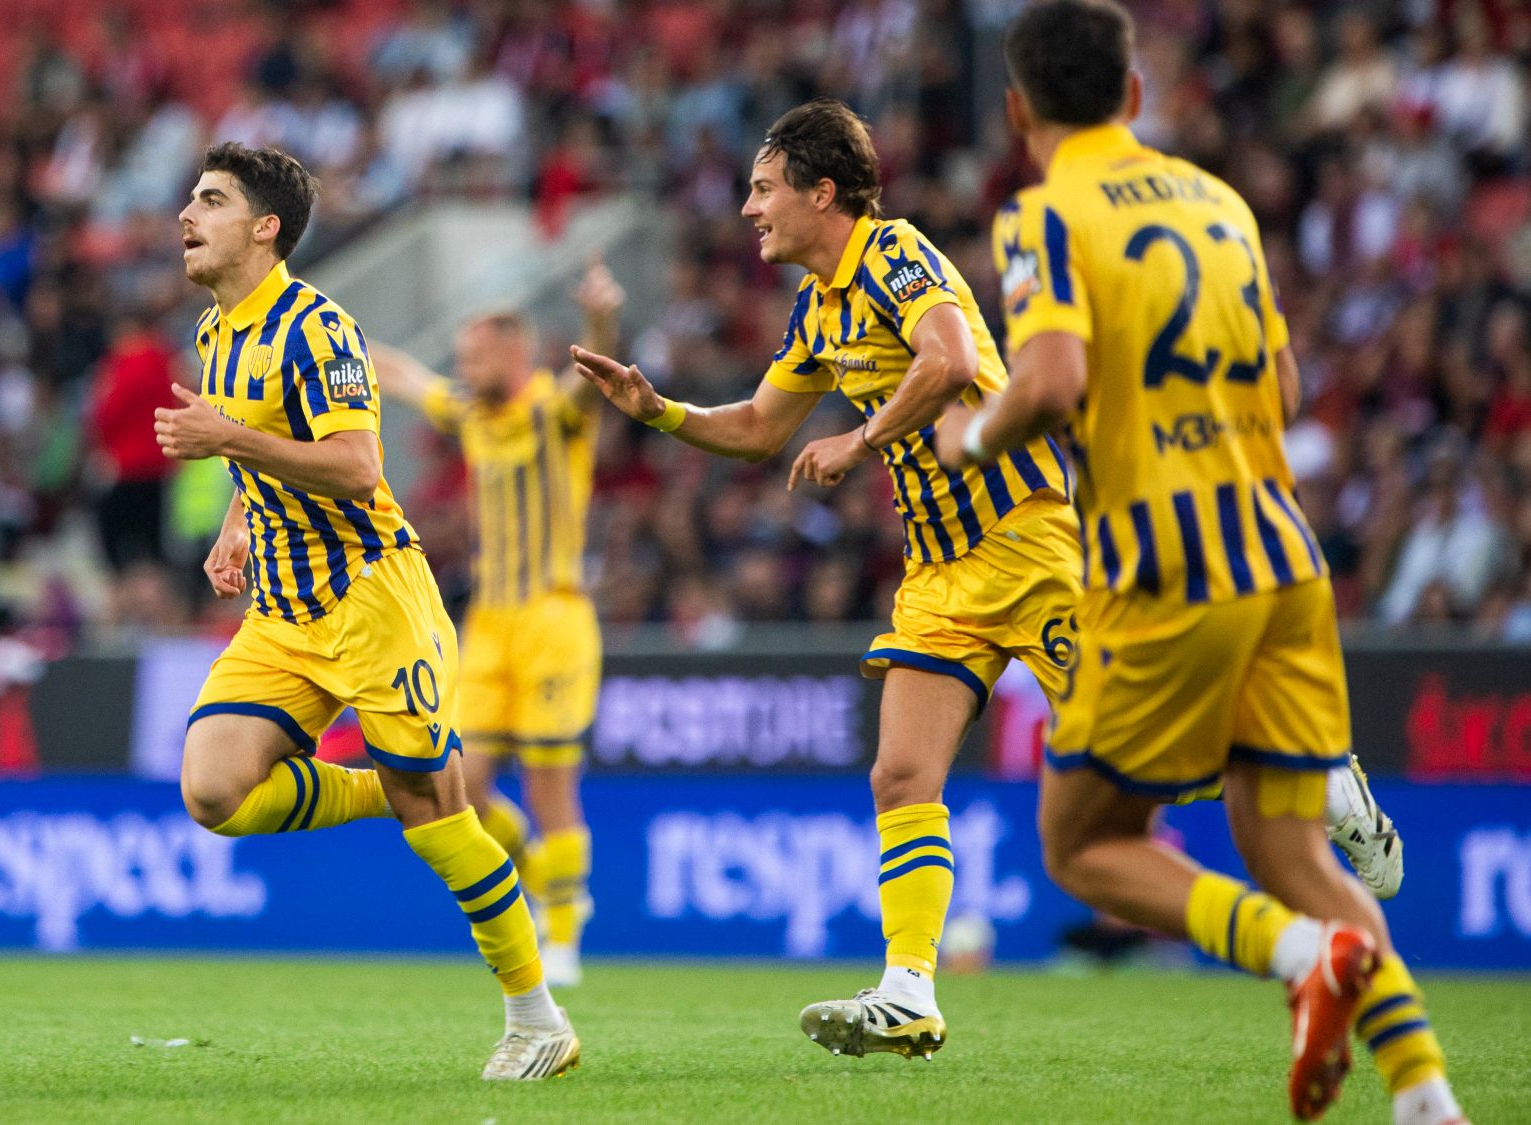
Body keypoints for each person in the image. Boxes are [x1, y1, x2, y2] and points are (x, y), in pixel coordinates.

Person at [930, 5, 1462, 1123]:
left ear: (1017, 111)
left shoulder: (1043, 215)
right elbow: (1284, 385)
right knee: (1290, 851)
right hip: (1282, 556)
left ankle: (1299, 954)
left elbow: (1051, 380)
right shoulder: (1220, 203)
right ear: (1133, 96)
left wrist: (969, 436)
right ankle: (1425, 1098)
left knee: (1083, 844)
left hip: (1165, 565)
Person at [573, 97, 1084, 1062]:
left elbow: (951, 360)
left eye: (764, 188)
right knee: (900, 773)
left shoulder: (894, 253)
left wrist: (861, 437)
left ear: (823, 193)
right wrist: (658, 410)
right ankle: (909, 991)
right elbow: (758, 428)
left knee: (1148, 753)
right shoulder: (817, 308)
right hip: (940, 572)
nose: (748, 209)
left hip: (1025, 538)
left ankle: (1313, 774)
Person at [153, 142, 579, 1081]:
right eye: (191, 198)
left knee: (442, 825)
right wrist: (236, 521)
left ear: (265, 228)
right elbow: (267, 444)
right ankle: (393, 786)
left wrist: (228, 437)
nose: (187, 214)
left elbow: (357, 466)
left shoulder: (317, 327)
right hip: (285, 611)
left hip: (374, 598)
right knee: (213, 790)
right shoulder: (218, 332)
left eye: (211, 200)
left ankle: (538, 1018)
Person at [371, 264, 623, 988]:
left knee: (549, 785)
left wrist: (601, 320)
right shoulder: (471, 412)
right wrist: (335, 342)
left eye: (476, 356)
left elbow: (593, 379)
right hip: (488, 623)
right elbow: (406, 376)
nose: (465, 367)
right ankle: (546, 878)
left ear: (516, 354)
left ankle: (564, 940)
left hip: (554, 618)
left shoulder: (553, 411)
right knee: (462, 785)